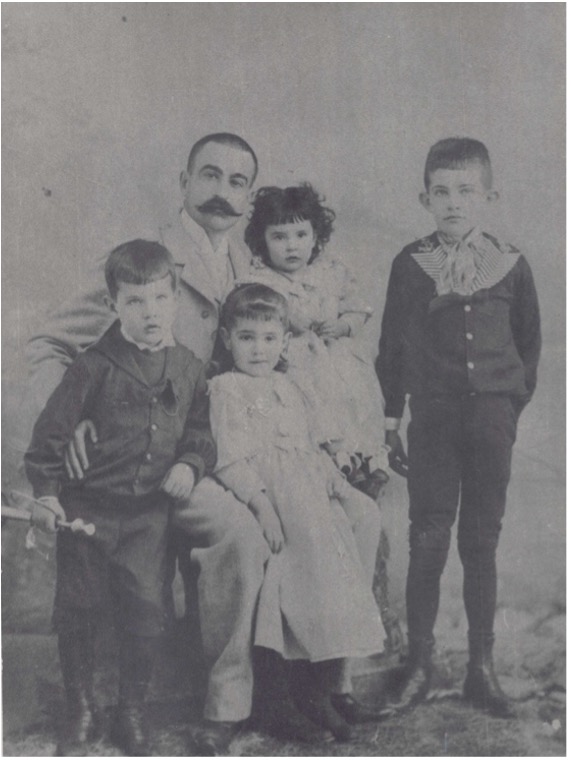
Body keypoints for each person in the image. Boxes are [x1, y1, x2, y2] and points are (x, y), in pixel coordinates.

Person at [25, 133, 272, 753]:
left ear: (249, 197)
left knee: (284, 522)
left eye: (237, 182)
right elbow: (50, 345)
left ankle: (260, 699)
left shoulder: (249, 265)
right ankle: (205, 703)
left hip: (210, 451)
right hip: (141, 469)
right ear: (183, 181)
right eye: (209, 175)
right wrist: (76, 420)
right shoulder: (145, 263)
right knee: (236, 535)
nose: (221, 193)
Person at [24, 240, 216, 756]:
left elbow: (201, 434)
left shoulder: (189, 366)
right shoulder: (93, 365)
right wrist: (46, 495)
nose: (150, 312)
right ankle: (81, 709)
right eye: (135, 301)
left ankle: (132, 709)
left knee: (147, 610)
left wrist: (189, 464)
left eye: (159, 298)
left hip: (148, 519)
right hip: (87, 511)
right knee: (79, 608)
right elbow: (49, 437)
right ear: (113, 305)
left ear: (175, 297)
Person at [376, 137, 541, 718]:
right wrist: (390, 420)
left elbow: (529, 344)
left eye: (466, 191)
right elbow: (392, 346)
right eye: (441, 192)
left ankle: (481, 669)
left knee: (481, 541)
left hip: (492, 420)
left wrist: (508, 409)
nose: (453, 203)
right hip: (434, 421)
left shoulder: (511, 264)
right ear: (424, 199)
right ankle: (419, 665)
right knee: (428, 537)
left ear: (489, 198)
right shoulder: (411, 264)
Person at [210, 283, 387, 742]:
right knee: (309, 553)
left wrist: (336, 481)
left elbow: (309, 448)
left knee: (355, 525)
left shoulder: (290, 386)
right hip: (273, 498)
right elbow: (230, 460)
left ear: (285, 340)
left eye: (270, 338)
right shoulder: (226, 389)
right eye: (247, 338)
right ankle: (298, 694)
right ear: (227, 339)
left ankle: (327, 683)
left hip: (307, 491)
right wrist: (262, 506)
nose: (259, 349)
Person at [242, 183, 390, 500]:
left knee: (355, 397)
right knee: (311, 404)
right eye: (279, 237)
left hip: (338, 357)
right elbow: (255, 321)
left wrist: (343, 326)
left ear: (315, 236)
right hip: (294, 360)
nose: (291, 246)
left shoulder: (330, 272)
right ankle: (338, 463)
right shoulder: (260, 281)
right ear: (263, 240)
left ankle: (366, 459)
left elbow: (358, 308)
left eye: (300, 235)